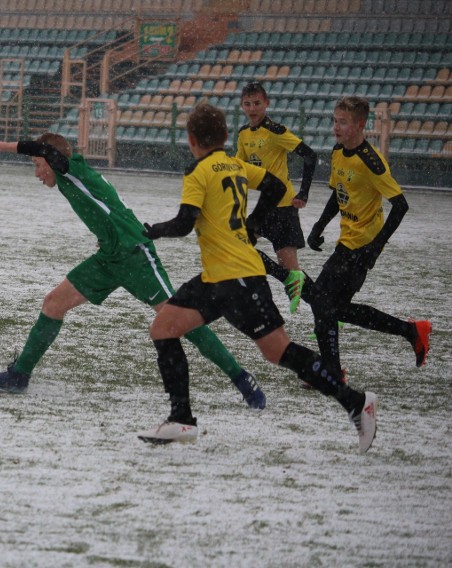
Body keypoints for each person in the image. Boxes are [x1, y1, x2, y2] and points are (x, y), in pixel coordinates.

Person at [137, 103, 377, 453]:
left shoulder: (198, 171)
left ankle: (356, 402)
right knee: (163, 327)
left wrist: (153, 231)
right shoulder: (235, 164)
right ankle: (182, 418)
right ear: (223, 137)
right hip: (218, 278)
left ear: (191, 139)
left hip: (238, 278)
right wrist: (252, 224)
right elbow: (278, 186)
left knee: (279, 351)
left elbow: (185, 223)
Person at [0, 133, 266, 410]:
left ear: (51, 160)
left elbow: (46, 149)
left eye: (38, 165)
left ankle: (241, 377)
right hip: (110, 257)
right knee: (54, 303)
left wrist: (2, 146)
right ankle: (20, 375)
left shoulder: (70, 169)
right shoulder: (68, 175)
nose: (37, 172)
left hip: (134, 254)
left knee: (178, 320)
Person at [256, 96, 430, 377]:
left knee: (323, 306)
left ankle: (333, 371)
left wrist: (375, 247)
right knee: (332, 308)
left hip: (361, 248)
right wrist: (319, 227)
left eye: (343, 122)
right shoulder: (338, 152)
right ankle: (410, 331)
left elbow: (401, 205)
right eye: (334, 121)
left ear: (360, 124)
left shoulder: (372, 162)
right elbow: (339, 195)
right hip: (346, 243)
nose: (336, 127)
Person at [236, 81, 317, 313]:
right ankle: (328, 310)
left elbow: (310, 156)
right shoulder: (243, 134)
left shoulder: (276, 131)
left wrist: (304, 192)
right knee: (240, 246)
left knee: (293, 275)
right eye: (248, 104)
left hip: (282, 208)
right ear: (242, 106)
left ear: (267, 104)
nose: (252, 108)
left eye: (257, 103)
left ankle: (328, 311)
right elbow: (239, 168)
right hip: (264, 208)